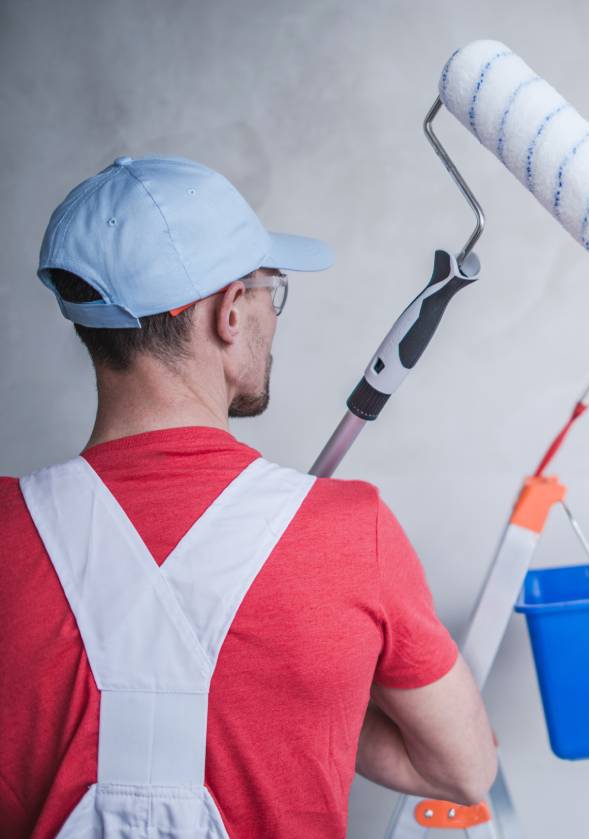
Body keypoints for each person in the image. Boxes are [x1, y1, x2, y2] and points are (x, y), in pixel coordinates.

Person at [0, 155, 497, 838]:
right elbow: (465, 768)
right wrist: (310, 699)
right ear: (230, 311)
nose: (272, 314)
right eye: (270, 290)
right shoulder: (350, 534)